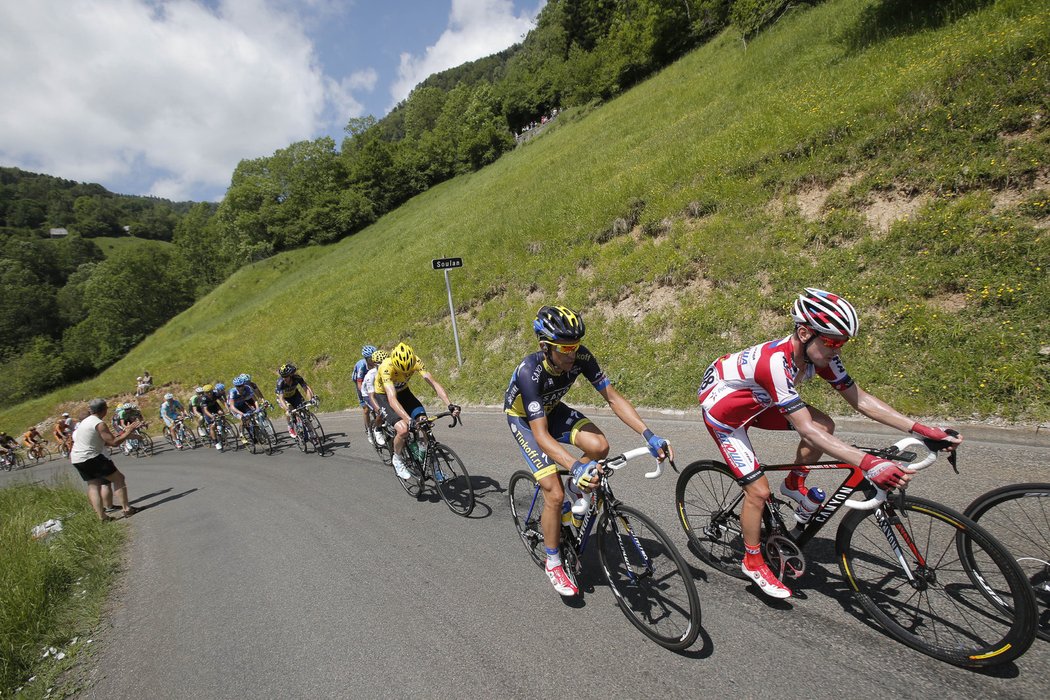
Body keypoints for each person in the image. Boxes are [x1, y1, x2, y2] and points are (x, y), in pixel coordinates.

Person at [696, 287, 963, 599]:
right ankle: (752, 561)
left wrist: (922, 429)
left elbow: (860, 401)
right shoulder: (774, 363)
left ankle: (795, 484)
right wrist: (868, 462)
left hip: (759, 399)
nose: (838, 350)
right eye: (833, 342)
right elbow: (807, 432)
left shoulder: (821, 357)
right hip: (725, 413)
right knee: (758, 491)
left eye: (843, 343)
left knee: (826, 423)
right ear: (805, 333)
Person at [505, 305, 672, 596]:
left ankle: (574, 485)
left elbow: (612, 398)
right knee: (554, 494)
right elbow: (542, 436)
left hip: (553, 410)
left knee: (600, 446)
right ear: (545, 347)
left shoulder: (581, 357)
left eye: (575, 346)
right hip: (526, 421)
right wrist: (575, 465)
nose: (572, 354)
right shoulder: (529, 373)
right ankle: (554, 561)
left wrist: (649, 434)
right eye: (564, 349)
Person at [374, 343, 460, 481]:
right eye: (401, 371)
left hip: (404, 392)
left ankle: (433, 466)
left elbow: (433, 383)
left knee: (424, 424)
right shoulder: (386, 367)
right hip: (384, 395)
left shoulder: (416, 361)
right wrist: (408, 420)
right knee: (403, 430)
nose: (404, 374)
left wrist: (450, 405)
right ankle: (397, 459)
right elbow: (391, 398)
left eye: (407, 372)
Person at [70, 398, 143, 521]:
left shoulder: (84, 422)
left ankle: (102, 517)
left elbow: (103, 442)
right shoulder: (99, 424)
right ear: (104, 410)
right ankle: (127, 509)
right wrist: (128, 432)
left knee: (93, 485)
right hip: (91, 457)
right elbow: (114, 443)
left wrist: (124, 434)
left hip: (77, 458)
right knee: (119, 478)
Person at [275, 363, 316, 439]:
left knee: (304, 411)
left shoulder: (297, 378)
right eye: (283, 376)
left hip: (294, 395)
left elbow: (306, 388)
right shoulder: (280, 383)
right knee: (289, 412)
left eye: (286, 376)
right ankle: (290, 426)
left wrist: (311, 399)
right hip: (284, 398)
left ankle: (311, 431)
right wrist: (287, 409)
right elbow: (281, 398)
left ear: (291, 375)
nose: (284, 378)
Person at [353, 345, 379, 442]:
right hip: (360, 383)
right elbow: (359, 384)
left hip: (371, 381)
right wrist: (367, 396)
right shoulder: (362, 365)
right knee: (366, 409)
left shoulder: (376, 362)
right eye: (371, 358)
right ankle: (369, 430)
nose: (373, 359)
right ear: (366, 359)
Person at [362, 349, 388, 446]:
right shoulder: (371, 375)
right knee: (381, 411)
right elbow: (371, 395)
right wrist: (379, 409)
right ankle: (377, 429)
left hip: (380, 392)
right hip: (368, 394)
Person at [227, 375, 260, 443]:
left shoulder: (247, 388)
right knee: (243, 418)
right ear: (235, 386)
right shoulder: (233, 392)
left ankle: (254, 433)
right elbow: (232, 406)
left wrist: (257, 408)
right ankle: (241, 434)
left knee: (251, 416)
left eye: (242, 385)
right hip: (235, 408)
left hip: (242, 404)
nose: (241, 387)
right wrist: (242, 414)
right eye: (239, 386)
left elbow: (255, 400)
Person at [201, 383, 229, 450]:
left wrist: (227, 408)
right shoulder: (203, 398)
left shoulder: (216, 393)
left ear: (212, 390)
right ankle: (216, 442)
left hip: (215, 407)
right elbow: (205, 410)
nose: (209, 393)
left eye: (210, 391)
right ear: (205, 393)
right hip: (207, 411)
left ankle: (223, 425)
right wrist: (211, 416)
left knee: (221, 413)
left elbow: (223, 401)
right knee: (212, 426)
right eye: (207, 392)